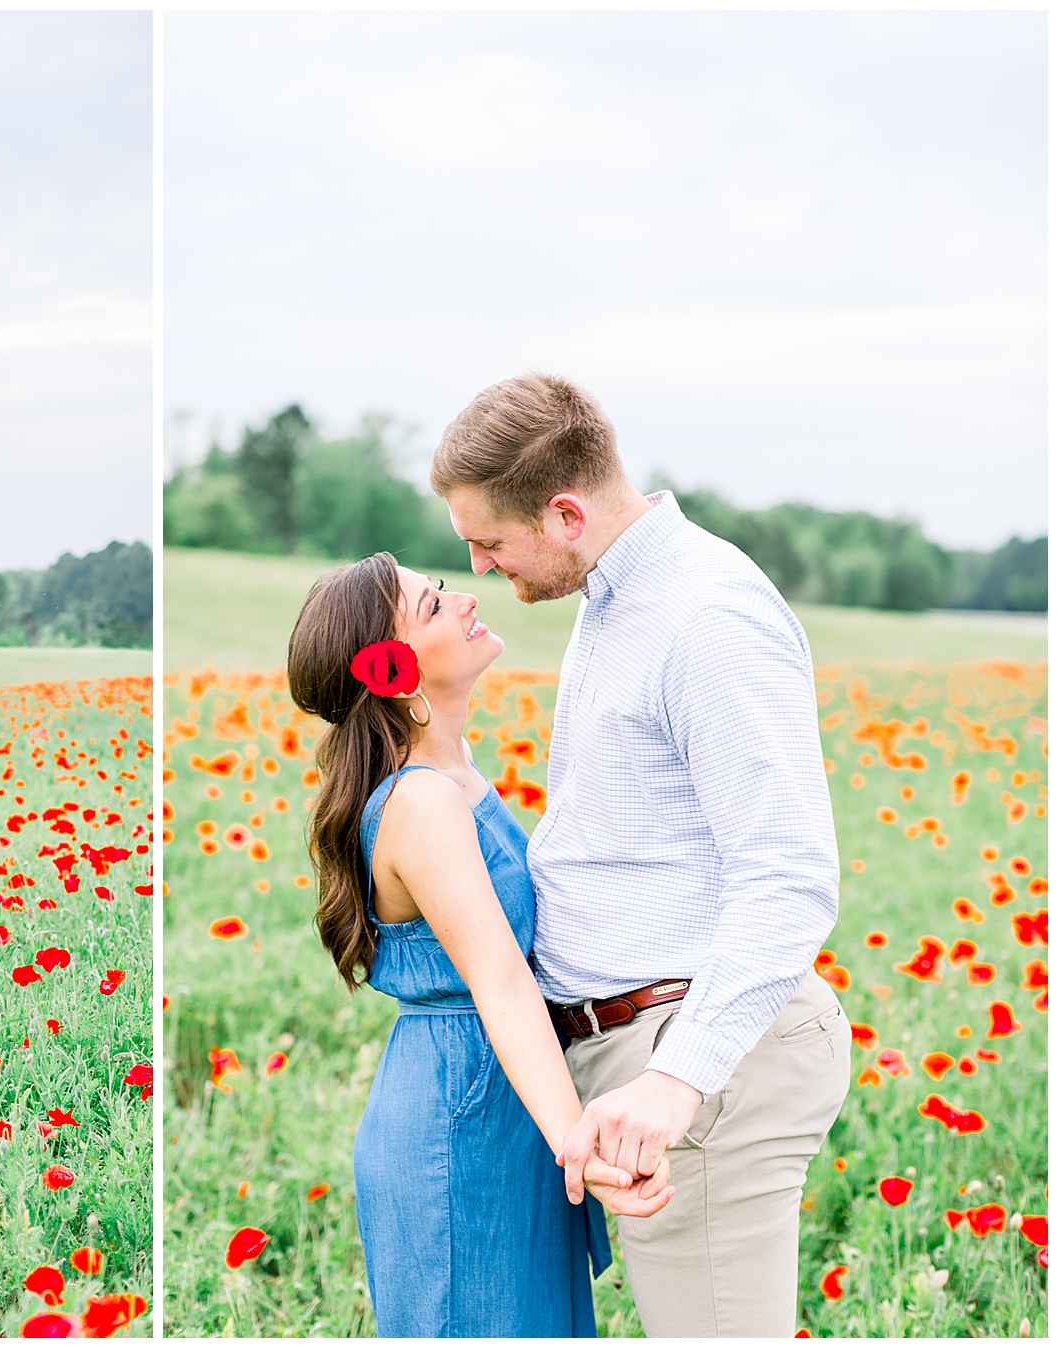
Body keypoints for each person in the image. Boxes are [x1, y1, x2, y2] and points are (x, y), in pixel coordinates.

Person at [431, 372, 850, 1337]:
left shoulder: (705, 618)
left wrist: (675, 1076)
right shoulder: (617, 596)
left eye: (490, 542)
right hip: (640, 1046)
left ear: (566, 513)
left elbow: (789, 876)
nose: (481, 568)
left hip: (694, 1056)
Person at [286, 554, 673, 1338]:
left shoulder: (451, 772)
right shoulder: (421, 801)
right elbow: (500, 981)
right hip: (461, 1118)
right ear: (392, 668)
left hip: (504, 1094)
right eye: (433, 604)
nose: (465, 598)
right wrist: (580, 1146)